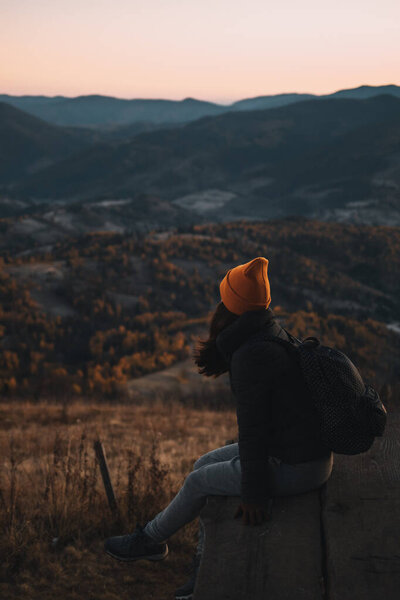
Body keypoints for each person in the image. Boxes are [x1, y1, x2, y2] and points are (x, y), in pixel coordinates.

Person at [104, 256, 334, 600]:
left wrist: (253, 494)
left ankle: (150, 541)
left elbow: (253, 430)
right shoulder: (268, 332)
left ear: (231, 305)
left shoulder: (252, 354)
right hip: (298, 452)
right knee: (202, 464)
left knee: (198, 481)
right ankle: (201, 568)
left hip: (300, 467)